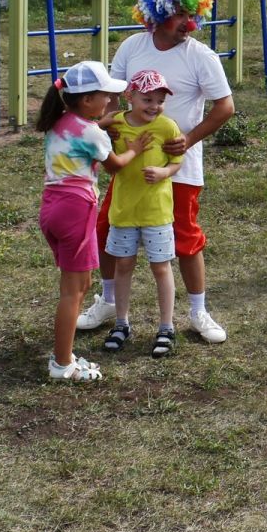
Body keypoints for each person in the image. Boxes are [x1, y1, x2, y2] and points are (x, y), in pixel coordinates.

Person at [79, 0, 235, 345]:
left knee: (185, 238)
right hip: (129, 166)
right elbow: (114, 99)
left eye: (193, 14)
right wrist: (106, 128)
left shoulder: (201, 56)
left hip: (178, 170)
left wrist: (188, 140)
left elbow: (225, 107)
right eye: (180, 13)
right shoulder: (133, 47)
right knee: (107, 231)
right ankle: (109, 301)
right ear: (157, 12)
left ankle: (198, 311)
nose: (189, 23)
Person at [35, 60, 137, 383]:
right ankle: (62, 364)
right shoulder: (92, 133)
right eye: (104, 95)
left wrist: (103, 122)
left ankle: (63, 355)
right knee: (72, 291)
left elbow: (88, 127)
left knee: (80, 284)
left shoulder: (59, 121)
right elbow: (116, 166)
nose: (109, 100)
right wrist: (136, 147)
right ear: (87, 100)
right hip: (76, 211)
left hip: (53, 208)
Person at [101, 70, 184, 359]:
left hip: (157, 212)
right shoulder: (117, 124)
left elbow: (176, 162)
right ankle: (122, 323)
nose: (154, 105)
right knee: (123, 264)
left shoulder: (167, 126)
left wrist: (164, 172)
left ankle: (166, 327)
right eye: (147, 98)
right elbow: (93, 134)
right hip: (124, 210)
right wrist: (106, 123)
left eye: (160, 100)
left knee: (161, 267)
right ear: (130, 97)